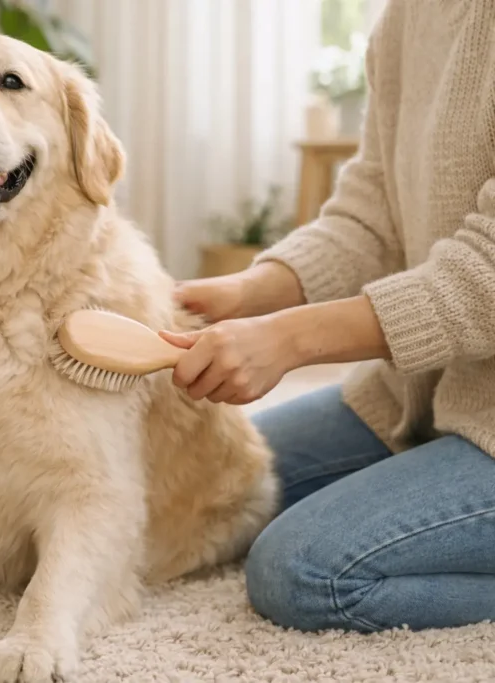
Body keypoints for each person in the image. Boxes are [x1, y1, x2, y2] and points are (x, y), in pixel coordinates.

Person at [158, 0, 495, 633]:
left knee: (302, 573)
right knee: (212, 486)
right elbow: (370, 216)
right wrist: (244, 292)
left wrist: (290, 340)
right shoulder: (406, 19)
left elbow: (487, 272)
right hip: (421, 398)